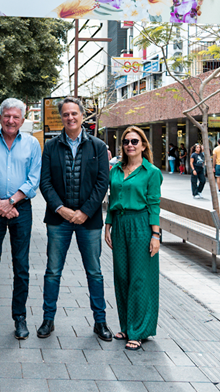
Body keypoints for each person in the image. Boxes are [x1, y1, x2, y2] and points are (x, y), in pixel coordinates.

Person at [38, 97, 112, 341]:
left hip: (88, 221)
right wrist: (61, 209)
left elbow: (103, 182)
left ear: (82, 115)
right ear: (62, 117)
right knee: (52, 272)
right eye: (66, 114)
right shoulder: (50, 146)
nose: (70, 117)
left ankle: (100, 321)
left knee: (95, 272)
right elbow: (45, 182)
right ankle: (48, 320)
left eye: (74, 113)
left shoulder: (98, 146)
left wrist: (84, 212)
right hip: (58, 220)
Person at [0, 98, 41, 340]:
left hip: (21, 210)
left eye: (15, 117)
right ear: (0, 118)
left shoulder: (33, 144)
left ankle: (20, 317)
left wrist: (11, 202)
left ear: (22, 120)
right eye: (6, 116)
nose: (10, 121)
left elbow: (34, 179)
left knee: (21, 266)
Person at [104, 126, 163, 351]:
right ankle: (127, 326)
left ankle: (138, 331)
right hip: (119, 224)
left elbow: (154, 205)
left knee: (139, 278)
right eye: (127, 141)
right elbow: (112, 199)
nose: (130, 145)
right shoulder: (116, 171)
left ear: (144, 145)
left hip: (141, 225)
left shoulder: (151, 172)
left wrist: (155, 235)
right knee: (122, 276)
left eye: (135, 141)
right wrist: (107, 226)